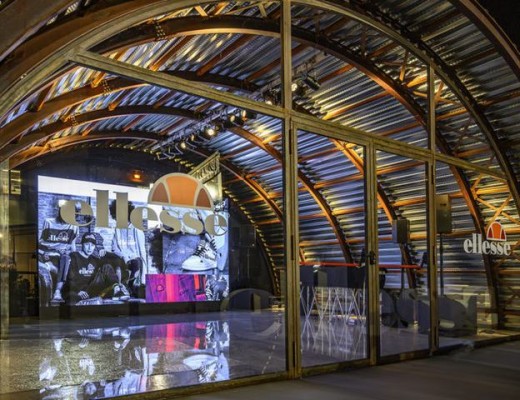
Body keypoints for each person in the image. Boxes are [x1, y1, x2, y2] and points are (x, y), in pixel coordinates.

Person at [60, 233, 128, 304]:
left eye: (92, 245)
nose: (90, 248)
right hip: (77, 290)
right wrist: (78, 290)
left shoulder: (95, 259)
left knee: (107, 267)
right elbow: (69, 279)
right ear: (82, 244)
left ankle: (118, 290)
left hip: (90, 290)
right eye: (87, 244)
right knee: (71, 298)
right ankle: (90, 301)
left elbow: (117, 260)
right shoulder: (74, 256)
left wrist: (107, 253)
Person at [38, 206, 79, 306]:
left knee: (66, 258)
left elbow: (73, 246)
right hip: (46, 254)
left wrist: (76, 259)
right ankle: (49, 266)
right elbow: (40, 243)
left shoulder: (74, 226)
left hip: (61, 256)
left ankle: (57, 291)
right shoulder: (48, 222)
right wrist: (44, 253)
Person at [110, 201, 148, 297]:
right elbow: (114, 248)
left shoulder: (137, 230)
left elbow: (142, 253)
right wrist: (124, 257)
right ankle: (120, 287)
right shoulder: (117, 229)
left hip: (135, 262)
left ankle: (132, 287)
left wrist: (144, 279)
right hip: (122, 260)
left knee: (135, 263)